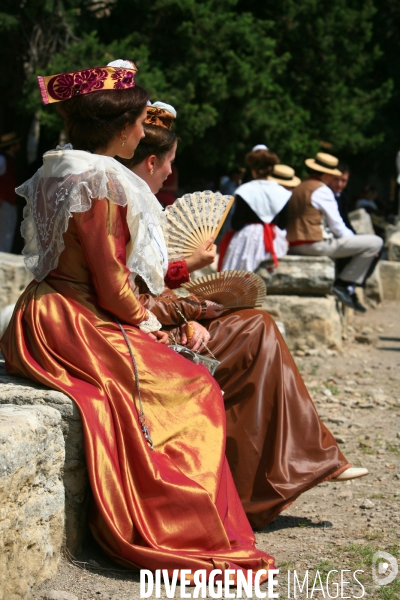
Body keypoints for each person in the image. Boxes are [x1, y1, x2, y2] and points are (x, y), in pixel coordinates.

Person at [0, 61, 275, 579]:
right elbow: (110, 281)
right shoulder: (100, 180)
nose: (142, 132)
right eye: (137, 124)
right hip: (79, 318)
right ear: (122, 129)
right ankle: (180, 519)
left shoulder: (56, 167)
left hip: (39, 311)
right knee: (194, 387)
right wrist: (147, 323)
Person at [123, 102, 369, 531]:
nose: (170, 174)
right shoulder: (123, 205)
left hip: (163, 312)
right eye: (169, 164)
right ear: (150, 161)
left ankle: (288, 468)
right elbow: (130, 293)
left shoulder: (143, 202)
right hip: (143, 332)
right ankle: (282, 474)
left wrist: (188, 285)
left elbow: (146, 281)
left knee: (259, 326)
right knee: (258, 331)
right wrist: (192, 307)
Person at [286, 152, 383, 312]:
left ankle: (344, 284)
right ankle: (344, 284)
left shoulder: (299, 187)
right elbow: (338, 226)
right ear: (326, 174)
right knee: (375, 243)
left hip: (294, 244)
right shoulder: (322, 191)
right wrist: (356, 245)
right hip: (314, 245)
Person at [218, 150, 292, 272]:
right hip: (274, 240)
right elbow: (283, 224)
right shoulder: (283, 192)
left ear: (253, 169)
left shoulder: (244, 190)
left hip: (247, 239)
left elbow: (236, 223)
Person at [0, 132, 21, 253]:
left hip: (8, 201)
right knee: (5, 234)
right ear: (12, 145)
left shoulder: (9, 160)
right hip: (4, 202)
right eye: (17, 144)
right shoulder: (2, 159)